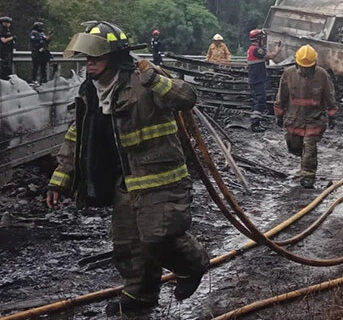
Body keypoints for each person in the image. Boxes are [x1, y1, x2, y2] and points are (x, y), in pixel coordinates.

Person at [45, 21, 209, 316]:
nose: (89, 63)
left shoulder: (143, 80)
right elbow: (78, 135)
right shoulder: (90, 91)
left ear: (114, 57)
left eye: (96, 57)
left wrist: (156, 80)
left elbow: (187, 97)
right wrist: (60, 179)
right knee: (128, 245)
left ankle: (193, 265)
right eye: (87, 58)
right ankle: (139, 296)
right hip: (125, 181)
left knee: (158, 236)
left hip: (161, 178)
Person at [274, 45, 337, 188]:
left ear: (314, 65)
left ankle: (308, 175)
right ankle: (304, 163)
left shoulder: (322, 75)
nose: (305, 70)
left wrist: (332, 114)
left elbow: (329, 95)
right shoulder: (288, 74)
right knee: (294, 146)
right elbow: (281, 95)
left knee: (309, 146)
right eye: (303, 67)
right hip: (294, 118)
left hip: (314, 119)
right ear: (297, 64)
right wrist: (279, 114)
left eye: (308, 68)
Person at [246, 28, 282, 132]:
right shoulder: (256, 49)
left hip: (255, 79)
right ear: (257, 39)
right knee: (260, 100)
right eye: (261, 38)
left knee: (256, 100)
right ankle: (255, 124)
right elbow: (270, 56)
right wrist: (277, 50)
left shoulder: (252, 49)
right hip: (257, 79)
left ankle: (255, 122)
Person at [0, 16, 15, 80]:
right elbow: (3, 40)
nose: (9, 24)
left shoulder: (8, 30)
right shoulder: (1, 30)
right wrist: (11, 38)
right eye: (8, 23)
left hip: (8, 50)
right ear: (4, 23)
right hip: (3, 51)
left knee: (8, 66)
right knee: (4, 66)